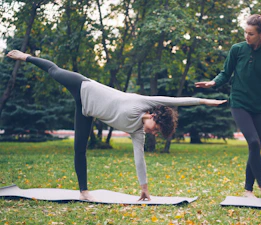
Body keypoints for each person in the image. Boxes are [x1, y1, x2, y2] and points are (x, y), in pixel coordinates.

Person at [6, 50, 226, 201]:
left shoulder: (137, 132)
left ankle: (83, 191)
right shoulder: (143, 102)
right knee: (54, 71)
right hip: (84, 86)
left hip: (86, 111)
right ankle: (26, 57)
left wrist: (144, 189)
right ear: (153, 117)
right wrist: (205, 101)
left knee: (79, 149)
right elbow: (175, 101)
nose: (153, 134)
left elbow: (139, 160)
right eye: (156, 130)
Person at [195, 14, 261, 199]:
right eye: (245, 32)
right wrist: (213, 83)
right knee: (253, 142)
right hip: (239, 103)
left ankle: (247, 190)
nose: (247, 36)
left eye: (251, 34)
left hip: (260, 106)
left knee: (255, 147)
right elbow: (225, 73)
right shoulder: (237, 50)